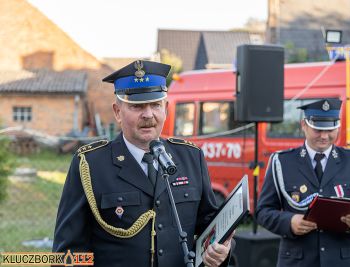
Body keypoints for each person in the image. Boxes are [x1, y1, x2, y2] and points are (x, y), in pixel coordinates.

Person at [52, 60, 233, 267]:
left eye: (156, 104)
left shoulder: (191, 157)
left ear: (165, 107)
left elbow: (211, 226)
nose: (148, 114)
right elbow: (68, 250)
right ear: (118, 112)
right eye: (137, 106)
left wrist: (222, 250)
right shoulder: (90, 165)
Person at [256, 98, 350, 267]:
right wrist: (289, 221)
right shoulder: (283, 162)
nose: (324, 136)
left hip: (341, 261)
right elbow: (263, 211)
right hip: (297, 261)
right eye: (317, 129)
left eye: (330, 129)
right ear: (304, 125)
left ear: (338, 127)